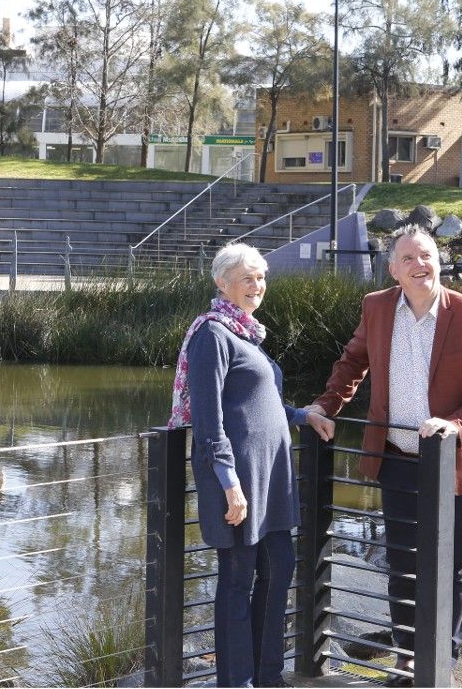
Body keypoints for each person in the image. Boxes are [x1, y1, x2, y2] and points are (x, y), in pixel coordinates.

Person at [304, 224, 462, 685]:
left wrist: (455, 425)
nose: (422, 264)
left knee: (453, 569)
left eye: (428, 255)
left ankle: (443, 661)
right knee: (402, 563)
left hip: (456, 466)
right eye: (410, 258)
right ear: (393, 269)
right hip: (396, 459)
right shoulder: (377, 308)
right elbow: (353, 361)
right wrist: (325, 405)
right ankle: (407, 657)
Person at [170, 243, 333, 688]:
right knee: (238, 579)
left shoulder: (246, 334)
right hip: (238, 482)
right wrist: (229, 483)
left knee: (280, 568)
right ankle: (236, 681)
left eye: (261, 278)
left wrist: (303, 416)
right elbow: (208, 422)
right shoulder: (212, 336)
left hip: (272, 480)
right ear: (222, 283)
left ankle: (269, 677)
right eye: (247, 278)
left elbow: (264, 405)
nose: (257, 286)